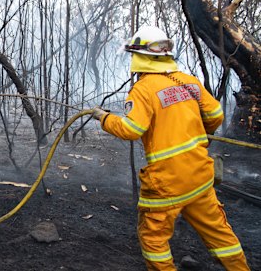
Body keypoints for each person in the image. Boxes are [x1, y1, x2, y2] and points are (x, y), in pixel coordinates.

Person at [91, 25, 250, 271]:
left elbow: (131, 130)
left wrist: (103, 117)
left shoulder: (143, 89)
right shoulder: (189, 82)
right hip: (199, 175)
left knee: (153, 240)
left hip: (167, 182)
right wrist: (199, 133)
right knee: (220, 235)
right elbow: (216, 115)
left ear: (142, 56)